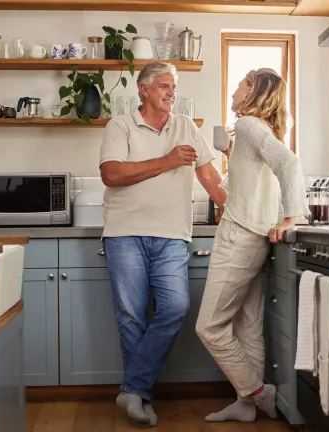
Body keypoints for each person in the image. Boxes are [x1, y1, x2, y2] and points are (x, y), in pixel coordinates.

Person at [99, 62, 227, 427]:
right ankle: (142, 397)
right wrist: (168, 160)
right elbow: (112, 174)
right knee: (132, 318)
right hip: (125, 233)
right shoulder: (120, 125)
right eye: (165, 86)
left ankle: (132, 389)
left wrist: (230, 204)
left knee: (175, 308)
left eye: (174, 86)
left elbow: (209, 176)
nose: (171, 92)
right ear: (144, 89)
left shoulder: (186, 126)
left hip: (172, 235)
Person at [195, 68, 309, 422]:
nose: (235, 88)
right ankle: (245, 406)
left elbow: (289, 163)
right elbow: (252, 183)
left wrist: (292, 216)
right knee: (247, 324)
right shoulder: (257, 131)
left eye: (243, 83)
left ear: (253, 92)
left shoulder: (247, 125)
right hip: (254, 236)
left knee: (209, 326)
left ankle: (258, 392)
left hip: (240, 236)